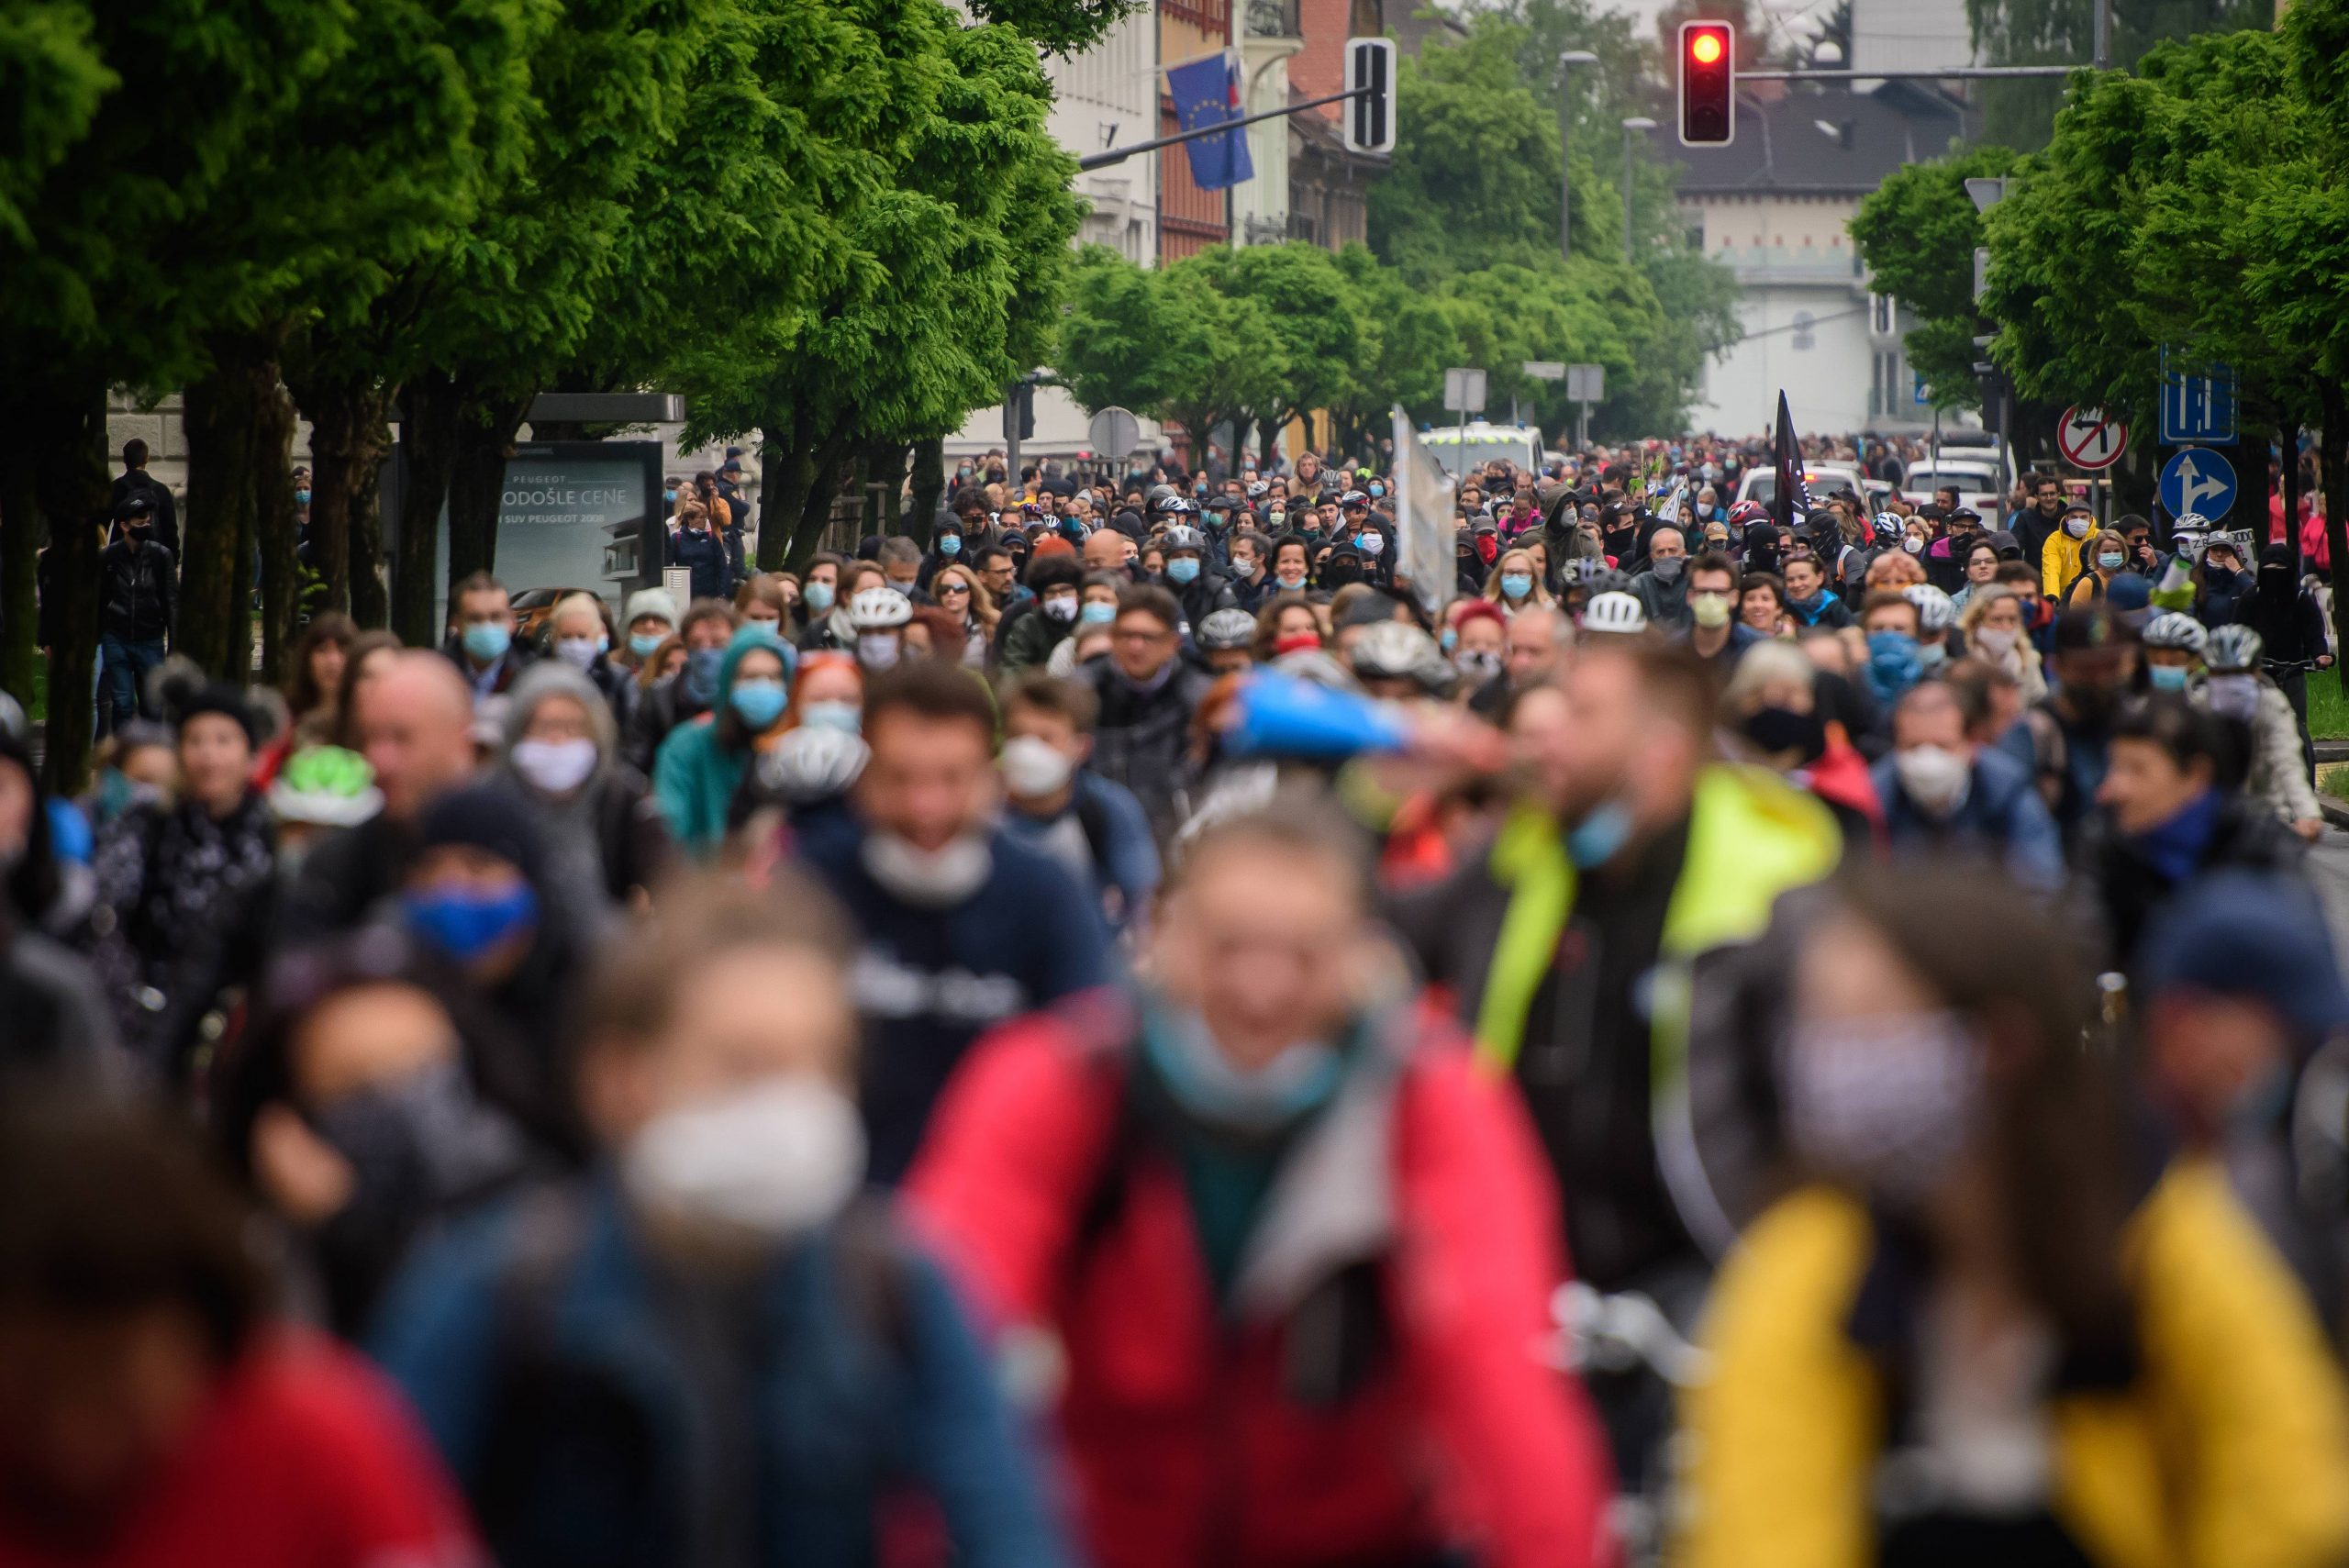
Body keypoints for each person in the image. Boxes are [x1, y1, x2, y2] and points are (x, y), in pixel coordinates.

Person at [910, 797, 1615, 1568]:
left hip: (1358, 1539)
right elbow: (939, 1327)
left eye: (1304, 954)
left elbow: (1499, 1371)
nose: (1260, 987)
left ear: (1360, 958)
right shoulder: (1062, 1084)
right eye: (1228, 945)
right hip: (1107, 1536)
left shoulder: (1426, 1105)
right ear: (1165, 937)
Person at [372, 874, 1072, 1568]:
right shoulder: (501, 1292)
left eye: (825, 1063)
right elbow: (387, 1522)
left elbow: (1006, 1518)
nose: (796, 1104)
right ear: (622, 1078)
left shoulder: (895, 1287)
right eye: (746, 1063)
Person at [1677, 859, 2349, 1568]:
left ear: (1998, 1043)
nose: (1827, 1066)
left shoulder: (2157, 1237)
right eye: (1817, 1026)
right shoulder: (1809, 1271)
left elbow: (2288, 1491)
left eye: (1866, 1021)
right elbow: (1762, 1527)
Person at [1396, 638, 1841, 1295]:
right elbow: (1378, 932)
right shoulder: (1523, 855)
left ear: (1660, 753)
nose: (1551, 734)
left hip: (1710, 1288)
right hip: (1521, 1272)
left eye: (1583, 714)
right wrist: (1382, 794)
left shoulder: (1774, 890)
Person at [0, 1092, 482, 1568]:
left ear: (203, 1334)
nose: (75, 1439)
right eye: (36, 1389)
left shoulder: (319, 1444)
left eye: (112, 1383)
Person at [792, 661, 1111, 1181]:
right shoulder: (810, 887)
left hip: (999, 1193)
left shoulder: (1046, 894)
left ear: (992, 779)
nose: (925, 807)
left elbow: (1094, 1059)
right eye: (900, 778)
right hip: (838, 1194)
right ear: (864, 779)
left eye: (952, 779)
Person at [214, 938, 546, 1335]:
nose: (410, 1101)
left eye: (428, 1069)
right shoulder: (257, 1283)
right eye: (360, 1087)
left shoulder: (545, 1208)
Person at [90, 685, 277, 1080]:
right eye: (195, 740)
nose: (209, 755)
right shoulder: (146, 826)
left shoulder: (272, 835)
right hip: (150, 1016)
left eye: (223, 740)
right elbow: (106, 919)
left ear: (251, 756)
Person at [2083, 694, 2304, 968]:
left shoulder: (2261, 847)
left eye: (2136, 770)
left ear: (2196, 775)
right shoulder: (2104, 843)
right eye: (2113, 768)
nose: (2112, 789)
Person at [277, 652, 476, 941]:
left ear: (461, 743)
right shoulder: (334, 866)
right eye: (371, 738)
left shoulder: (512, 853)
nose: (379, 762)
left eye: (401, 738)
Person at [495, 662, 674, 916]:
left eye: (573, 727)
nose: (558, 740)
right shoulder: (491, 800)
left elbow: (670, 877)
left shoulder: (622, 798)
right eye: (545, 727)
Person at [996, 673, 1161, 934]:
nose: (1028, 750)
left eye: (1046, 738)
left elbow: (1141, 907)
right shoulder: (982, 810)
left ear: (1081, 748)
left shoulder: (1108, 810)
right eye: (1017, 735)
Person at [1871, 680, 2064, 891]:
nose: (1927, 758)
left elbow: (2039, 883)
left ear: (1971, 744)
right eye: (1913, 746)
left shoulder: (2007, 791)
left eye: (1942, 746)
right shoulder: (1874, 798)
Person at [1080, 585, 1217, 844]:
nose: (1135, 646)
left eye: (1148, 637)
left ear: (1173, 644)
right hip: (1095, 833)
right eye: (1126, 635)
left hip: (1174, 834)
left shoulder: (1199, 699)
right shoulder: (1082, 693)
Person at [652, 624, 795, 859]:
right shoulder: (687, 747)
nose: (763, 686)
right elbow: (671, 829)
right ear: (729, 682)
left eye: (774, 677)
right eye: (750, 677)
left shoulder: (795, 751)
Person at [2202, 624, 2325, 840]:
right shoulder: (2196, 705)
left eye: (2240, 674)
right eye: (2222, 674)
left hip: (2265, 812)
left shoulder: (2271, 704)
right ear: (2209, 674)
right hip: (2207, 817)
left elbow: (2286, 759)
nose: (2231, 683)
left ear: (2256, 672)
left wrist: (2308, 813)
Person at [2036, 607, 2137, 838]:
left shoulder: (2138, 722)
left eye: (2111, 666)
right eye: (2087, 670)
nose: (2101, 680)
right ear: (2058, 667)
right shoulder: (2037, 733)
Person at [623, 597, 738, 773]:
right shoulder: (659, 698)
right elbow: (636, 763)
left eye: (717, 643)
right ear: (685, 646)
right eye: (696, 643)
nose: (705, 651)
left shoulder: (745, 694)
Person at [98, 495, 175, 729]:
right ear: (124, 526)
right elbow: (100, 598)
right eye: (139, 521)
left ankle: (151, 747)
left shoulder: (160, 556)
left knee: (153, 704)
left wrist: (173, 641)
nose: (146, 525)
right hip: (117, 637)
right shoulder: (109, 557)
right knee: (122, 703)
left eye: (147, 520)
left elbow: (170, 601)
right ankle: (125, 746)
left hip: (150, 638)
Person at [442, 573, 531, 703]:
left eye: (496, 617)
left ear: (512, 621)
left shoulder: (533, 675)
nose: (486, 626)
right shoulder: (435, 675)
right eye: (475, 619)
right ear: (456, 624)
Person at [999, 553, 1084, 673]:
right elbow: (1012, 669)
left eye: (1065, 591)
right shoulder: (1027, 626)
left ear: (1078, 593)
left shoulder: (1088, 621)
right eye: (1051, 593)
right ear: (1041, 599)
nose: (1058, 598)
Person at [1684, 551, 1759, 673]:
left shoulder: (1757, 649)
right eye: (1702, 592)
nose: (1710, 599)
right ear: (1690, 597)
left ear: (1734, 598)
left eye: (1719, 592)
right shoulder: (1671, 651)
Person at [110, 436, 179, 556]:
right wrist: (173, 559)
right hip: (154, 558)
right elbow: (171, 531)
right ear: (147, 459)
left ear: (124, 460)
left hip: (121, 556)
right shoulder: (161, 490)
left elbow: (100, 526)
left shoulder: (114, 488)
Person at [666, 500, 729, 601]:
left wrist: (723, 592)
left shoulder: (711, 538)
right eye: (701, 517)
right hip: (686, 593)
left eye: (706, 517)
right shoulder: (677, 538)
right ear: (690, 520)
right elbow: (667, 564)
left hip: (709, 593)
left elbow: (722, 566)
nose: (705, 520)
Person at [1630, 526, 1691, 629]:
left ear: (1683, 553)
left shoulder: (1695, 582)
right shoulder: (1639, 584)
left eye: (1672, 550)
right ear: (1652, 556)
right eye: (1660, 551)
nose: (1667, 555)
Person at [1780, 553, 1852, 630]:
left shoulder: (1837, 611)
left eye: (1802, 577)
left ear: (1819, 577)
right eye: (1790, 580)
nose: (1796, 584)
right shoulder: (1779, 608)